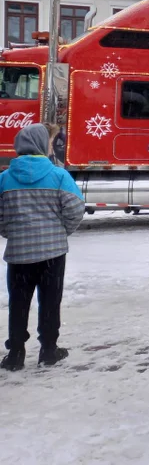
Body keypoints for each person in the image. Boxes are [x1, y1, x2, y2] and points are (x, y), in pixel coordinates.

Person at [1, 125, 84, 371]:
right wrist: (60, 233)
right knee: (50, 302)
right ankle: (48, 350)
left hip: (19, 254)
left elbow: (1, 217)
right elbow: (75, 209)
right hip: (52, 254)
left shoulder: (4, 178)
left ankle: (15, 354)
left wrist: (13, 233)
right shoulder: (59, 176)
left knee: (19, 303)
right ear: (41, 144)